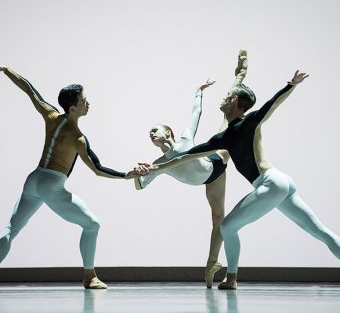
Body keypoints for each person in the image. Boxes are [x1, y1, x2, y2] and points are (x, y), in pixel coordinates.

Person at [140, 68, 340, 290]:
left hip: (270, 183)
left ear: (235, 100)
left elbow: (271, 105)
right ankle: (232, 278)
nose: (223, 99)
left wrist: (291, 85)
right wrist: (156, 167)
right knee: (320, 232)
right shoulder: (223, 137)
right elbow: (184, 157)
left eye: (227, 97)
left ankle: (232, 278)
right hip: (281, 183)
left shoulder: (249, 121)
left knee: (226, 227)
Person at [0, 67, 139, 289]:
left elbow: (30, 90)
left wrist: (6, 70)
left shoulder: (51, 115)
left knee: (11, 229)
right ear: (73, 108)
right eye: (84, 100)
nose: (88, 103)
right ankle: (89, 276)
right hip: (51, 184)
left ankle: (89, 276)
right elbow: (97, 169)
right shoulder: (78, 138)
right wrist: (125, 176)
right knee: (92, 225)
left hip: (34, 179)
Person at [134, 51, 248, 288]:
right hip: (209, 180)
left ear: (169, 132)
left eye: (155, 130)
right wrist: (136, 173)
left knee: (231, 125)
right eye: (149, 133)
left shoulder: (185, 139)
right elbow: (140, 185)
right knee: (218, 219)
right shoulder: (159, 164)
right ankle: (211, 264)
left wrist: (199, 91)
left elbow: (196, 113)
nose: (151, 133)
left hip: (216, 161)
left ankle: (239, 77)